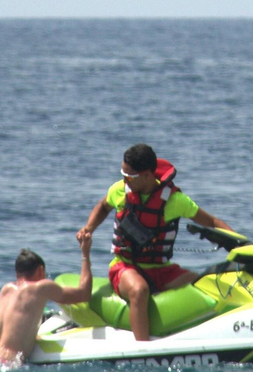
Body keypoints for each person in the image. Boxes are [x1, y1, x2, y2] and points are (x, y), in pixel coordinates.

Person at [79, 143, 237, 342]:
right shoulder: (120, 190)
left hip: (161, 269)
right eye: (123, 174)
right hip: (124, 266)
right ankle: (143, 349)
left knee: (205, 283)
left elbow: (212, 222)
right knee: (139, 290)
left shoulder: (174, 201)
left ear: (146, 175)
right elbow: (103, 206)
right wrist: (88, 228)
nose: (124, 180)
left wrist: (240, 245)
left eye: (130, 176)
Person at [0, 233, 94, 372]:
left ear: (17, 273)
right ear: (40, 271)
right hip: (1, 363)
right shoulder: (41, 287)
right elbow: (84, 294)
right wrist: (85, 254)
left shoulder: (6, 290)